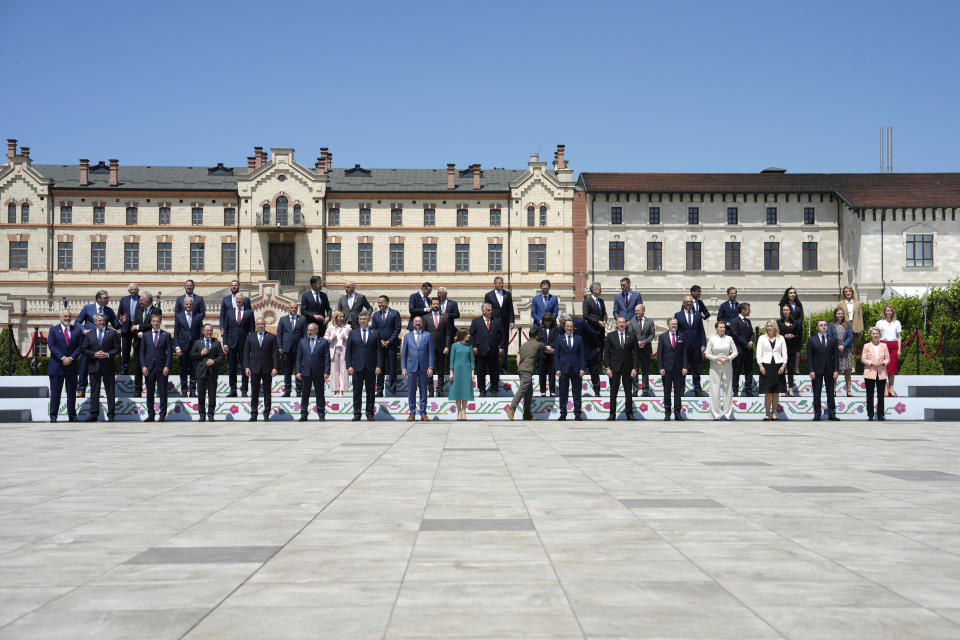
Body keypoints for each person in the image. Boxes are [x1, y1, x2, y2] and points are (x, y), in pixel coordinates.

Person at [74, 289, 118, 398]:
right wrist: (83, 330)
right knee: (84, 366)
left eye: (108, 298)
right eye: (105, 298)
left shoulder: (109, 311)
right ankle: (81, 390)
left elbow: (115, 325)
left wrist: (121, 322)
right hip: (88, 341)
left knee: (98, 368)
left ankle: (96, 391)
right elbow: (77, 322)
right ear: (98, 299)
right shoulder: (88, 308)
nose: (107, 300)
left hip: (101, 343)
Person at [81, 313, 119, 422]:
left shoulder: (112, 333)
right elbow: (83, 349)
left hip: (108, 366)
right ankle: (93, 414)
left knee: (110, 391)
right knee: (94, 391)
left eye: (103, 320)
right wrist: (93, 354)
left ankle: (111, 414)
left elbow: (117, 348)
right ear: (95, 322)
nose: (102, 322)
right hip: (94, 366)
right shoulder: (89, 335)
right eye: (100, 320)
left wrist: (107, 354)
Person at [507, 332, 552, 421]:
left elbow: (518, 357)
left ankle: (527, 414)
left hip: (521, 370)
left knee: (529, 392)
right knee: (522, 389)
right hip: (527, 371)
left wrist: (519, 368)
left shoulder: (524, 345)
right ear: (537, 336)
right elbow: (547, 349)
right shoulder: (538, 344)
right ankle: (511, 409)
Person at [48, 308, 82, 422]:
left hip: (71, 366)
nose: (67, 318)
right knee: (55, 394)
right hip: (56, 366)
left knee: (72, 393)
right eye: (65, 316)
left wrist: (71, 358)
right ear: (60, 317)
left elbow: (80, 346)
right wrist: (63, 358)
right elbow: (52, 346)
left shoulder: (76, 330)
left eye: (69, 316)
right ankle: (53, 416)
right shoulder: (53, 330)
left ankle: (72, 415)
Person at [345, 312, 380, 421]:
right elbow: (348, 351)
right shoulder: (353, 333)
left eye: (364, 319)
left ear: (368, 320)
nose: (362, 321)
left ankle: (370, 413)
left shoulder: (375, 333)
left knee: (370, 392)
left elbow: (379, 351)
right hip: (356, 367)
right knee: (357, 392)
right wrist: (349, 366)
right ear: (358, 320)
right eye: (360, 319)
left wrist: (379, 365)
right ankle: (357, 413)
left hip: (371, 367)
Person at [244, 317, 278, 422]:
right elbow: (245, 353)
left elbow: (275, 353)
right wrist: (246, 367)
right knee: (254, 392)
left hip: (267, 369)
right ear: (255, 325)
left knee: (267, 392)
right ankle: (254, 414)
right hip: (254, 368)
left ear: (265, 325)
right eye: (258, 324)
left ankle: (266, 414)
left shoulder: (271, 337)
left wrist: (275, 367)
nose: (260, 326)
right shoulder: (250, 337)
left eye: (262, 324)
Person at [604, 316, 638, 420]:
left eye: (623, 322)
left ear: (626, 324)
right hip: (614, 368)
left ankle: (629, 413)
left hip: (628, 368)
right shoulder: (610, 336)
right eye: (619, 322)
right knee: (613, 391)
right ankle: (612, 414)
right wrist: (607, 367)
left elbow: (635, 354)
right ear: (616, 324)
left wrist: (635, 368)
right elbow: (606, 354)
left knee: (628, 392)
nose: (621, 324)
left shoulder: (632, 336)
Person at [140, 314, 172, 422]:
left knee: (163, 392)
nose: (155, 323)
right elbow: (142, 352)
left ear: (160, 322)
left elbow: (169, 353)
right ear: (151, 322)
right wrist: (143, 365)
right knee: (150, 392)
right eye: (153, 321)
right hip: (149, 368)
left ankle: (162, 414)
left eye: (157, 321)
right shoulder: (145, 335)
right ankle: (151, 415)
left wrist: (167, 366)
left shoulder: (166, 335)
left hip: (162, 368)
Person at [401, 316, 433, 421]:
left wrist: (430, 367)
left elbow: (431, 353)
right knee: (411, 391)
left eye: (419, 321)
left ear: (422, 323)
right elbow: (404, 354)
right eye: (416, 321)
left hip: (424, 367)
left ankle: (423, 413)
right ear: (413, 323)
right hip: (411, 367)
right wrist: (403, 368)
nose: (418, 323)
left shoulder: (428, 335)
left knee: (424, 390)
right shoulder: (407, 336)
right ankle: (412, 413)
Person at [296, 322, 330, 421]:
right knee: (305, 394)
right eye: (308, 330)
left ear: (316, 330)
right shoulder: (302, 341)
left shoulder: (323, 342)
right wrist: (298, 371)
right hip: (305, 372)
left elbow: (327, 358)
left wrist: (326, 371)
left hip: (319, 372)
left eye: (311, 330)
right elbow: (299, 357)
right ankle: (303, 414)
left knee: (320, 394)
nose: (309, 332)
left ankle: (321, 414)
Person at [130, 292, 162, 397]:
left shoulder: (156, 310)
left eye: (141, 300)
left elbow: (153, 325)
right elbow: (133, 326)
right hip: (138, 343)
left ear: (148, 301)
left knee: (150, 367)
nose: (139, 301)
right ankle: (137, 390)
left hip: (151, 344)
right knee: (137, 367)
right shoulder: (138, 310)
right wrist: (138, 332)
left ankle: (151, 390)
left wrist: (139, 327)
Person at [191, 324, 224, 422]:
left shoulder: (217, 343)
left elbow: (222, 357)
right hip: (201, 372)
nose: (209, 332)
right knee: (201, 394)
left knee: (212, 394)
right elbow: (192, 355)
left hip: (212, 372)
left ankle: (211, 414)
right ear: (203, 332)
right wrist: (201, 353)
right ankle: (202, 414)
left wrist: (214, 361)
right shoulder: (197, 343)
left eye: (210, 330)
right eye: (207, 330)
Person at [469, 303, 504, 397]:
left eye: (491, 310)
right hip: (481, 351)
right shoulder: (476, 321)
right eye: (488, 310)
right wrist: (474, 346)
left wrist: (501, 347)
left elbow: (502, 335)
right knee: (481, 372)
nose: (491, 311)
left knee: (494, 372)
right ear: (483, 311)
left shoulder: (497, 321)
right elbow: (471, 334)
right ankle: (482, 390)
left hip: (493, 351)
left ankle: (494, 389)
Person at [553, 317, 585, 421]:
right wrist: (557, 368)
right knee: (563, 392)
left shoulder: (579, 338)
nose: (569, 328)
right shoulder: (559, 339)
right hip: (563, 369)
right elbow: (556, 355)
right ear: (564, 327)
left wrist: (582, 368)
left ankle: (577, 414)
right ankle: (563, 413)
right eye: (567, 326)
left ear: (574, 327)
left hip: (576, 369)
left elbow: (582, 355)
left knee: (577, 392)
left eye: (571, 326)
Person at [704, 321, 737, 420]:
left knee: (728, 389)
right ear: (716, 328)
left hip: (727, 364)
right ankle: (716, 414)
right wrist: (716, 358)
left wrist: (728, 358)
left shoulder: (729, 338)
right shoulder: (712, 339)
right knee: (715, 389)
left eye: (723, 327)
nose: (722, 329)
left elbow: (735, 352)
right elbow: (707, 353)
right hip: (715, 366)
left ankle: (727, 414)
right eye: (720, 327)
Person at [807, 319, 839, 421]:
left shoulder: (833, 339)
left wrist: (836, 370)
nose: (823, 327)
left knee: (830, 393)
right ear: (817, 327)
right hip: (816, 370)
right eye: (821, 325)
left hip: (829, 370)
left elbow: (836, 357)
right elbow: (809, 357)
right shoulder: (812, 340)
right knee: (817, 393)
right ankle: (817, 414)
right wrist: (811, 370)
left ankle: (832, 414)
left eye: (825, 325)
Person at [675, 295, 707, 396]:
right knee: (682, 369)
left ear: (693, 303)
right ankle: (681, 390)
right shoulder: (678, 315)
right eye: (687, 301)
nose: (689, 303)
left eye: (690, 301)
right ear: (683, 303)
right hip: (682, 346)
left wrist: (703, 344)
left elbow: (701, 330)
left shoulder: (698, 315)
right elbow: (675, 331)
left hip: (696, 346)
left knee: (696, 369)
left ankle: (697, 390)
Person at [223, 293, 254, 397]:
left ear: (244, 300)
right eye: (237, 299)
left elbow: (252, 330)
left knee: (246, 367)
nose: (239, 301)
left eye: (241, 299)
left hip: (245, 344)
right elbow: (226, 330)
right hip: (231, 344)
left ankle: (244, 390)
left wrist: (252, 345)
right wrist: (225, 343)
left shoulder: (249, 313)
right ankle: (233, 390)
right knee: (232, 368)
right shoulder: (229, 312)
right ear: (235, 300)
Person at [657, 317, 688, 421]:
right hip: (666, 369)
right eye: (672, 324)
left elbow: (684, 353)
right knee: (667, 392)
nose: (674, 325)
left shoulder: (682, 336)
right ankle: (667, 413)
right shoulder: (662, 337)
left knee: (678, 392)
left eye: (675, 324)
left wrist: (685, 366)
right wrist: (660, 367)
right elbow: (659, 354)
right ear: (668, 325)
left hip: (678, 369)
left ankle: (677, 413)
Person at [422, 298, 454, 396]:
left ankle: (440, 390)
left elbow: (448, 333)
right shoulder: (425, 317)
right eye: (434, 304)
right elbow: (423, 333)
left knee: (440, 369)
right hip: (429, 348)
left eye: (437, 304)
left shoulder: (445, 317)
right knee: (429, 369)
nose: (436, 305)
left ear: (439, 305)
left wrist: (447, 346)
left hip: (442, 347)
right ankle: (430, 390)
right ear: (431, 305)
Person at [756, 320, 787, 421]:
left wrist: (783, 365)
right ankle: (767, 414)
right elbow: (758, 353)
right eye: (767, 326)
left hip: (778, 366)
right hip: (766, 366)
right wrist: (760, 366)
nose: (769, 328)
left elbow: (784, 353)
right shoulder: (762, 338)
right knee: (768, 392)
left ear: (775, 328)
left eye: (771, 326)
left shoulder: (781, 338)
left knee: (776, 392)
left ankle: (774, 414)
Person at [372, 295, 402, 396]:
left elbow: (397, 329)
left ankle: (393, 390)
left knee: (392, 368)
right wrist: (380, 340)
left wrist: (389, 341)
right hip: (379, 345)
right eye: (379, 302)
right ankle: (380, 390)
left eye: (382, 302)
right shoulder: (376, 315)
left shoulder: (395, 313)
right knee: (379, 367)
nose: (380, 304)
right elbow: (374, 330)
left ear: (387, 302)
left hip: (391, 345)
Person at [484, 276, 515, 373]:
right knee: (493, 344)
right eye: (499, 283)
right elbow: (486, 310)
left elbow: (511, 309)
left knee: (504, 345)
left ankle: (503, 368)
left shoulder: (507, 294)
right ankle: (492, 367)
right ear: (495, 283)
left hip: (505, 324)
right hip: (493, 323)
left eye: (502, 283)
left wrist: (512, 321)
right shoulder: (488, 295)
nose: (501, 284)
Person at [173, 297, 202, 396]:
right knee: (183, 369)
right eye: (187, 304)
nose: (189, 306)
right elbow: (176, 333)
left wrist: (201, 345)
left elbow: (200, 332)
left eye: (190, 304)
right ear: (184, 305)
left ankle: (193, 390)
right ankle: (184, 390)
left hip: (195, 347)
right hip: (183, 346)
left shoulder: (198, 316)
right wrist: (176, 346)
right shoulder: (179, 316)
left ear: (192, 305)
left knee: (194, 369)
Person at [861, 328, 890, 421]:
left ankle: (881, 414)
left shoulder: (884, 346)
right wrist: (871, 363)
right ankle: (870, 415)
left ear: (879, 335)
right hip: (870, 372)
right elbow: (863, 358)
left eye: (877, 333)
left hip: (881, 372)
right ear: (870, 335)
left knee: (880, 395)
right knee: (869, 395)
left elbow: (887, 358)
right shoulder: (866, 346)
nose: (875, 335)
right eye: (873, 333)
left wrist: (882, 363)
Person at [276, 302, 304, 397]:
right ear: (289, 308)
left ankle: (299, 390)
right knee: (287, 371)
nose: (294, 309)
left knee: (298, 370)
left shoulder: (302, 320)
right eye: (292, 308)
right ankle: (287, 391)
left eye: (296, 308)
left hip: (299, 350)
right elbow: (279, 334)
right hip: (286, 349)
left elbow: (305, 335)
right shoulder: (283, 319)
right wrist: (280, 346)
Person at [627, 303, 655, 397]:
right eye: (635, 311)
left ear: (643, 311)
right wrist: (637, 342)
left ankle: (645, 390)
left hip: (646, 349)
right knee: (634, 369)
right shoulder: (632, 321)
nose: (636, 312)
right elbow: (630, 334)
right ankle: (635, 390)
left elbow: (652, 334)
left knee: (645, 370)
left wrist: (645, 342)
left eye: (638, 310)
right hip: (635, 350)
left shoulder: (650, 321)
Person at [448, 329, 475, 421]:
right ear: (463, 335)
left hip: (467, 371)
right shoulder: (454, 346)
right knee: (457, 391)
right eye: (467, 334)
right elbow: (451, 359)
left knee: (465, 391)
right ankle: (458, 412)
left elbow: (472, 360)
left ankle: (464, 411)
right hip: (457, 370)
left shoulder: (469, 346)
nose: (469, 336)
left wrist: (472, 373)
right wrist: (451, 372)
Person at [876, 304, 901, 397]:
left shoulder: (897, 323)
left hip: (893, 346)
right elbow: (876, 335)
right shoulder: (879, 323)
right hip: (883, 345)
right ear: (884, 312)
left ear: (892, 312)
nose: (889, 312)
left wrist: (899, 349)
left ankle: (891, 388)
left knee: (892, 369)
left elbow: (898, 337)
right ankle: (885, 389)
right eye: (887, 310)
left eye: (890, 310)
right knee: (883, 368)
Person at [324, 310, 352, 397]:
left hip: (344, 350)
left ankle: (342, 390)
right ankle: (335, 390)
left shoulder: (347, 327)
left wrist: (346, 337)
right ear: (336, 317)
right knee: (334, 371)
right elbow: (325, 338)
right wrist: (331, 338)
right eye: (340, 317)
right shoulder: (330, 327)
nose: (342, 318)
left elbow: (353, 339)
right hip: (334, 350)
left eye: (343, 317)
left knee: (343, 370)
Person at [730, 303, 755, 397]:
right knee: (736, 371)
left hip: (748, 351)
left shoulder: (748, 321)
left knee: (749, 371)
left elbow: (752, 333)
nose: (750, 311)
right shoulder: (734, 321)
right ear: (743, 310)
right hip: (739, 350)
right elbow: (735, 335)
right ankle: (735, 391)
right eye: (748, 309)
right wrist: (746, 343)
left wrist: (751, 342)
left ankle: (748, 390)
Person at [779, 287, 805, 377]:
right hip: (786, 330)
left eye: (794, 293)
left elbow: (801, 317)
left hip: (797, 331)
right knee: (785, 350)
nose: (792, 294)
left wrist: (795, 326)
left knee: (797, 350)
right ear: (787, 294)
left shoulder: (799, 305)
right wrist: (789, 329)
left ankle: (797, 369)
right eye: (790, 293)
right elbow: (782, 317)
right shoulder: (783, 305)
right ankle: (785, 369)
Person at [828, 307, 854, 396]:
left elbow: (850, 336)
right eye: (838, 313)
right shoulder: (831, 325)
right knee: (835, 371)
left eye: (842, 313)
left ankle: (849, 390)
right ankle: (833, 389)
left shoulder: (847, 324)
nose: (840, 315)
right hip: (835, 351)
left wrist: (844, 345)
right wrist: (837, 346)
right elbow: (829, 336)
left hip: (846, 350)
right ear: (835, 314)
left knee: (847, 371)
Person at [777, 305, 801, 396]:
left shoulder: (795, 323)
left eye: (787, 310)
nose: (785, 312)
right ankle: (782, 388)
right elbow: (776, 335)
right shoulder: (779, 322)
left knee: (790, 369)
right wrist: (784, 336)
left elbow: (798, 335)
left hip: (792, 349)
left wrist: (793, 336)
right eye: (784, 310)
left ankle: (790, 389)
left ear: (790, 311)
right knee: (782, 369)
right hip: (781, 349)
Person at [117, 283, 141, 376]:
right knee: (125, 349)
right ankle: (124, 369)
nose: (133, 291)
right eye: (132, 289)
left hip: (137, 327)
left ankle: (137, 369)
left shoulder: (141, 299)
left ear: (138, 291)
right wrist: (119, 324)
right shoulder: (124, 299)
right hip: (126, 327)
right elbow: (120, 313)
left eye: (135, 289)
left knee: (137, 349)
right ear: (129, 291)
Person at [536, 312, 561, 396]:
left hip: (552, 354)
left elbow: (557, 339)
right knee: (542, 373)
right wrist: (545, 347)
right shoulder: (539, 329)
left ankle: (552, 391)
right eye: (546, 321)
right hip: (542, 355)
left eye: (549, 321)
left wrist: (551, 347)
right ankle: (542, 391)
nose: (547, 323)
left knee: (552, 374)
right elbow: (538, 340)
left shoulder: (555, 329)